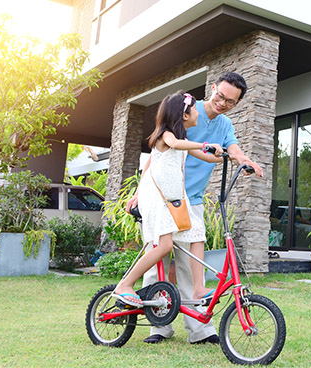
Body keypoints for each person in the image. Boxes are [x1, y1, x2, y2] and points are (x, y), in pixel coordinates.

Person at [126, 72, 263, 345]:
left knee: (191, 264)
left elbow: (232, 149)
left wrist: (245, 161)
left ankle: (200, 330)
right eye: (220, 96)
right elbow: (159, 154)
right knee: (157, 262)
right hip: (163, 196)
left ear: (237, 104)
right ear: (212, 88)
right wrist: (140, 192)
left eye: (231, 101)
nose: (223, 103)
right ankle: (159, 327)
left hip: (192, 200)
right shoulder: (186, 110)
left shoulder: (224, 124)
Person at [112, 91, 224, 309]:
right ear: (184, 115)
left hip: (173, 200)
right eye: (194, 109)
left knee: (196, 235)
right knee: (164, 246)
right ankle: (125, 284)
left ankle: (199, 288)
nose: (198, 113)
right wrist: (202, 145)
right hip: (157, 199)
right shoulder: (166, 136)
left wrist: (225, 154)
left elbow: (209, 157)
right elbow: (176, 144)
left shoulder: (184, 142)